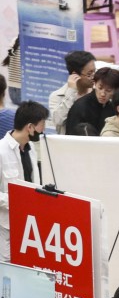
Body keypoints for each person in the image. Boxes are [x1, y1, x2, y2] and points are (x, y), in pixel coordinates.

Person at [0, 101, 47, 261]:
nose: (43, 130)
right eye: (41, 125)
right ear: (30, 127)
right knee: (7, 271)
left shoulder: (31, 149)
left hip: (30, 224)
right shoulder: (1, 151)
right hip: (6, 227)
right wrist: (16, 201)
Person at [66, 66, 119, 135]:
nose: (103, 94)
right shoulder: (81, 107)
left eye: (108, 90)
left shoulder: (114, 108)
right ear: (95, 84)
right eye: (100, 88)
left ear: (116, 90)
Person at [48, 50, 95, 133]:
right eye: (89, 74)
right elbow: (58, 121)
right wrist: (71, 92)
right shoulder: (57, 96)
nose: (93, 77)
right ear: (75, 75)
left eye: (94, 71)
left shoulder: (97, 93)